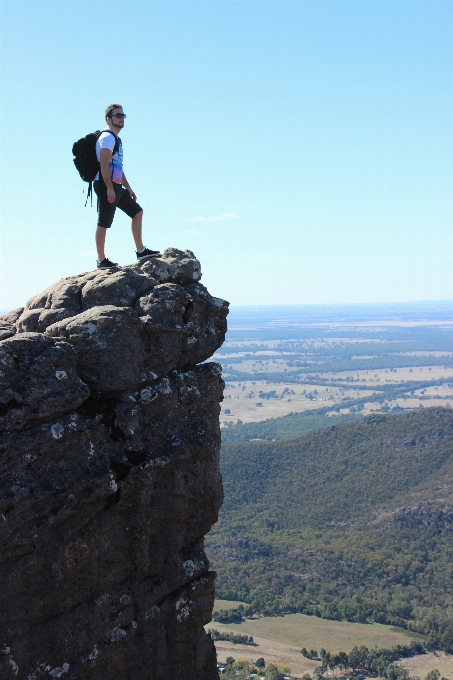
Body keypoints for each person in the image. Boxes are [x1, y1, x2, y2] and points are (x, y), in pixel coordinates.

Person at [93, 103, 160, 269]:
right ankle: (101, 261)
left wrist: (128, 188)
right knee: (104, 222)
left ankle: (141, 250)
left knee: (137, 212)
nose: (121, 118)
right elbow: (104, 165)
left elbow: (117, 168)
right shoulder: (107, 138)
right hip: (105, 184)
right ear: (108, 119)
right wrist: (109, 188)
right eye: (118, 115)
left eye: (123, 115)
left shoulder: (116, 139)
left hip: (115, 185)